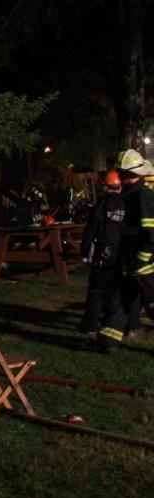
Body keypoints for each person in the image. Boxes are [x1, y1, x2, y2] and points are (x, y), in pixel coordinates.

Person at [97, 150, 154, 354]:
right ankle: (109, 342)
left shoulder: (142, 196)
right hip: (129, 260)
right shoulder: (130, 196)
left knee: (152, 303)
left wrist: (141, 261)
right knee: (118, 300)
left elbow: (149, 233)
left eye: (120, 173)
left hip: (145, 262)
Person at [80, 170, 125, 335]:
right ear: (120, 187)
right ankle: (121, 326)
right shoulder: (127, 204)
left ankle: (90, 326)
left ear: (105, 187)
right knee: (118, 292)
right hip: (122, 254)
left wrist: (85, 252)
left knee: (96, 290)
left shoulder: (99, 206)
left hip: (103, 254)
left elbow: (90, 231)